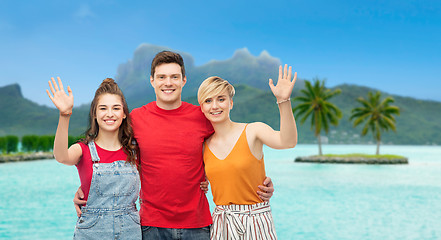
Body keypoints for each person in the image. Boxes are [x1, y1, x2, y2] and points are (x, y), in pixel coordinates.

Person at [74, 51, 275, 240]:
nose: (168, 83)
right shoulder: (136, 119)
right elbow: (111, 150)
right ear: (152, 81)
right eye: (161, 77)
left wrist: (257, 179)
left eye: (174, 77)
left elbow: (232, 146)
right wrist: (87, 185)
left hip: (197, 225)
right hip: (151, 226)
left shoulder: (203, 116)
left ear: (183, 80)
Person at [197, 64, 298, 239]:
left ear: (231, 103)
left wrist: (283, 101)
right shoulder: (202, 146)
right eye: (208, 100)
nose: (215, 106)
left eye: (221, 99)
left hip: (256, 220)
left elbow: (288, 141)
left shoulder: (253, 131)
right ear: (202, 107)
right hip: (222, 223)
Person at [46, 77, 141, 239]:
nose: (110, 114)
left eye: (116, 108)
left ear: (124, 114)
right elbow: (61, 156)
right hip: (91, 232)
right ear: (95, 114)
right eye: (103, 108)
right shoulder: (83, 149)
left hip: (130, 231)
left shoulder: (136, 150)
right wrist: (64, 115)